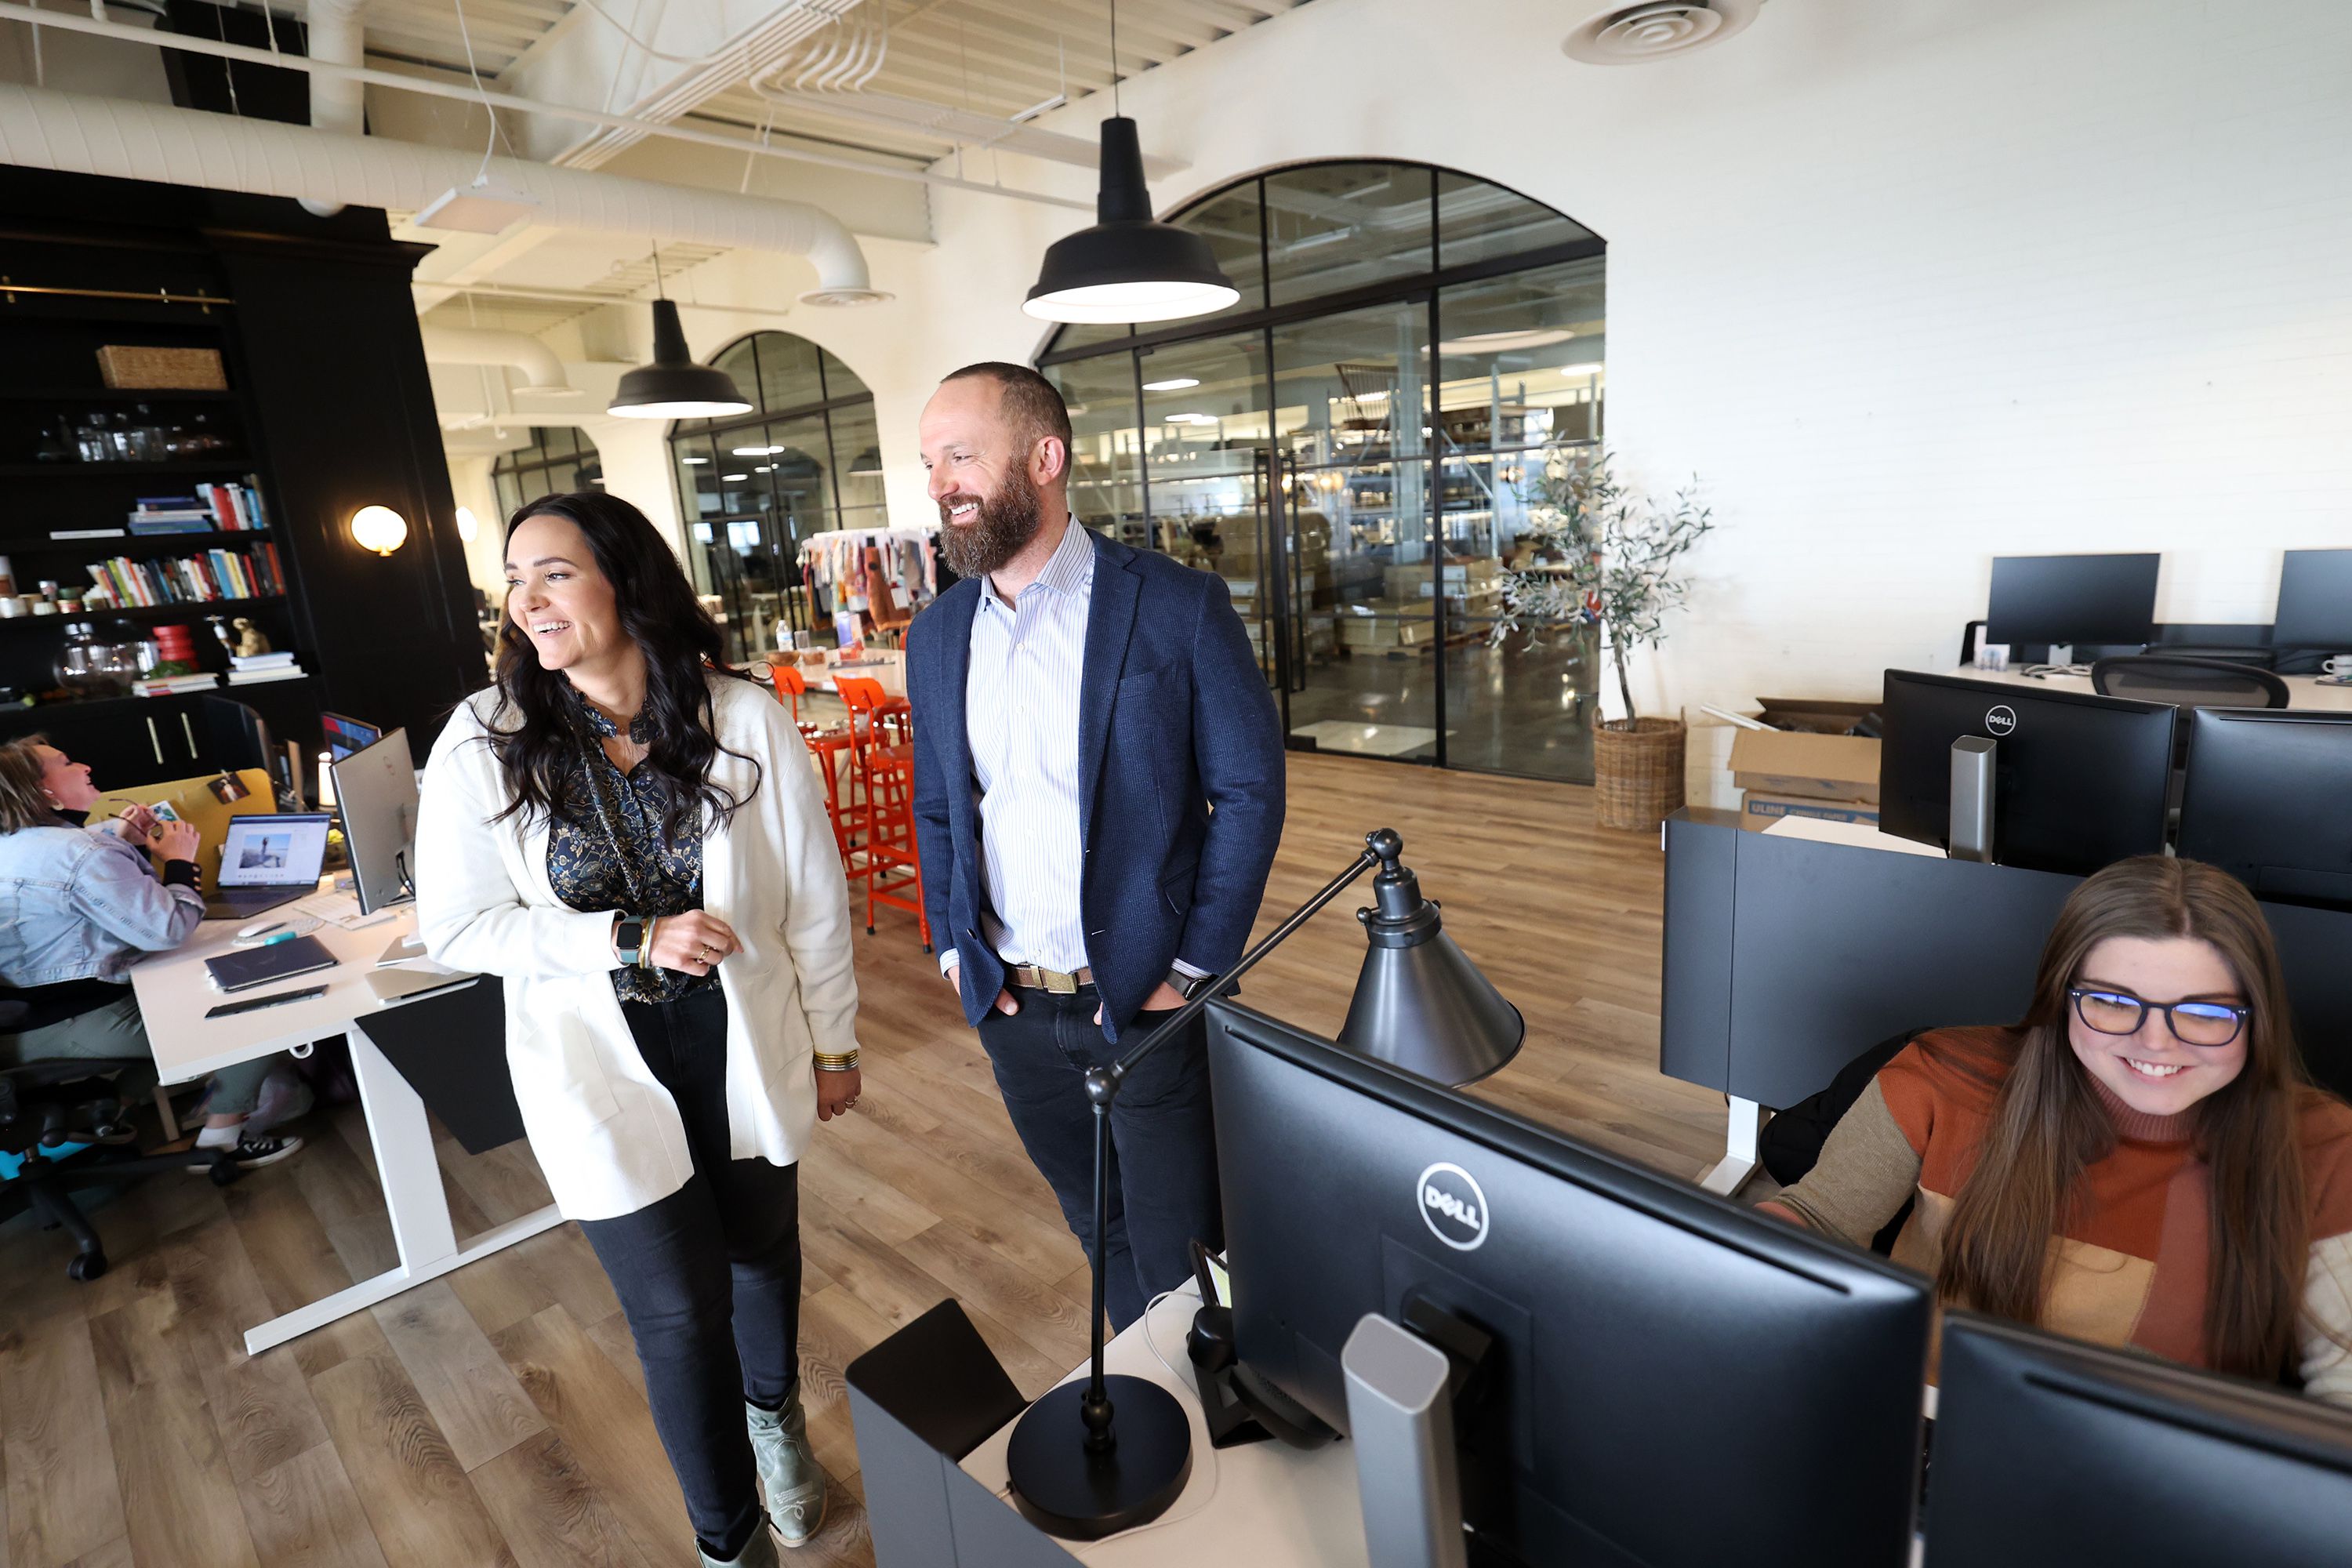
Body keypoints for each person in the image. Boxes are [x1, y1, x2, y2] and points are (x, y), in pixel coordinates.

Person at [414, 492, 862, 1567]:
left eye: (554, 572)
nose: (528, 600)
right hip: (597, 1067)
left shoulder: (740, 715)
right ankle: (728, 1542)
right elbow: (459, 929)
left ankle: (776, 1425)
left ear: (626, 580)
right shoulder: (487, 739)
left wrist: (837, 1045)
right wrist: (624, 939)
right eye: (514, 580)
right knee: (677, 1312)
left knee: (761, 1253)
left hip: (740, 1042)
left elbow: (813, 898)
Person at [908, 362, 1286, 1331]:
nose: (942, 483)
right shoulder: (938, 633)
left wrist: (1193, 967)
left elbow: (1248, 790)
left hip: (1146, 998)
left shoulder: (1176, 604)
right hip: (1013, 1005)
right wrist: (959, 951)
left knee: (1186, 1245)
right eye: (930, 463)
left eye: (962, 456)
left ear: (1045, 457)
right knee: (1097, 1227)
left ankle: (1216, 1421)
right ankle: (1157, 1407)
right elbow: (943, 805)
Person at [1762, 855, 2352, 1404]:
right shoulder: (1939, 1079)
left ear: (2257, 1017)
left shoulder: (2325, 1150)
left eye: (2205, 1013)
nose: (2155, 1042)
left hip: (2157, 1485)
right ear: (2062, 997)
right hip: (1925, 1422)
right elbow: (1822, 1220)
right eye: (2113, 1002)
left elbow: (2341, 1385)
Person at [0, 736, 303, 1167]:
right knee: (258, 1012)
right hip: (74, 1019)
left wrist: (121, 838)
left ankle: (109, 1113)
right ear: (43, 791)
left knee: (193, 1002)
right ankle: (222, 1139)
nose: (84, 765)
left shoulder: (16, 842)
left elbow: (69, 865)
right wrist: (180, 862)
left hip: (26, 1022)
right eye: (66, 763)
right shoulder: (78, 853)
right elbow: (169, 929)